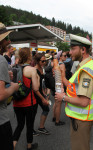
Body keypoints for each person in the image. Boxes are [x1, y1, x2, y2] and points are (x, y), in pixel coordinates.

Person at [55, 34, 93, 150]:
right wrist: (62, 76)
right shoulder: (84, 65)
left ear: (83, 50)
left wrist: (63, 97)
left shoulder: (86, 69)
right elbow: (74, 88)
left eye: (73, 49)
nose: (70, 52)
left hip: (82, 119)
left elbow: (83, 102)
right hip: (81, 118)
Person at [13, 48, 48, 150]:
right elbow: (36, 88)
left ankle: (13, 145)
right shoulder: (32, 70)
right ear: (29, 57)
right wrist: (43, 99)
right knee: (29, 125)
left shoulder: (15, 68)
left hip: (17, 102)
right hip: (29, 103)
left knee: (19, 125)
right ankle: (29, 146)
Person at [0, 22, 19, 150]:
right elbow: (1, 95)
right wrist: (13, 86)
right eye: (6, 38)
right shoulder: (1, 60)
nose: (9, 41)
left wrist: (5, 76)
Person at [34, 53, 50, 135]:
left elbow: (42, 84)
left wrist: (45, 94)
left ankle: (40, 127)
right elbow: (35, 88)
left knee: (45, 109)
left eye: (45, 61)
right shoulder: (35, 70)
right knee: (35, 112)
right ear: (37, 61)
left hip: (40, 92)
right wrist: (43, 98)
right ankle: (39, 128)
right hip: (35, 94)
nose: (44, 62)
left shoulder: (41, 68)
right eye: (43, 61)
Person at [52, 50, 66, 126]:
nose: (66, 57)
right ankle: (57, 121)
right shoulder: (62, 65)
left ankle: (54, 117)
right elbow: (63, 77)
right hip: (60, 85)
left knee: (56, 101)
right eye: (64, 55)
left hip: (55, 84)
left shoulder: (56, 64)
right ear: (60, 57)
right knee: (59, 103)